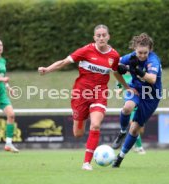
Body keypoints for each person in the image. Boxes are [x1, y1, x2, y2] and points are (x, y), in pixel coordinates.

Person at [38, 24, 130, 171]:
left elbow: (116, 73)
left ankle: (86, 162)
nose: (101, 38)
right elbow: (63, 62)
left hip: (99, 94)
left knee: (95, 125)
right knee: (78, 133)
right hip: (80, 94)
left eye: (104, 35)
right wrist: (47, 69)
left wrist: (126, 86)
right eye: (98, 35)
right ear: (94, 38)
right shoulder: (85, 50)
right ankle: (83, 118)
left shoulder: (114, 56)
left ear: (108, 37)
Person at [112, 33, 162, 168]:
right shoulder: (130, 57)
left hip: (151, 97)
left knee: (134, 130)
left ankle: (120, 158)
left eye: (145, 53)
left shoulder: (153, 60)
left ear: (150, 50)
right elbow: (114, 70)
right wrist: (126, 87)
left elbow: (152, 79)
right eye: (140, 52)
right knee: (127, 107)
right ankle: (122, 132)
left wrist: (135, 70)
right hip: (136, 90)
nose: (142, 56)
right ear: (134, 48)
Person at [113, 73, 146, 154]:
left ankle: (135, 143)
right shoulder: (121, 77)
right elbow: (118, 91)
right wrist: (120, 89)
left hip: (141, 103)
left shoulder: (137, 74)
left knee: (140, 129)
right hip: (131, 104)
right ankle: (139, 147)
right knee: (132, 123)